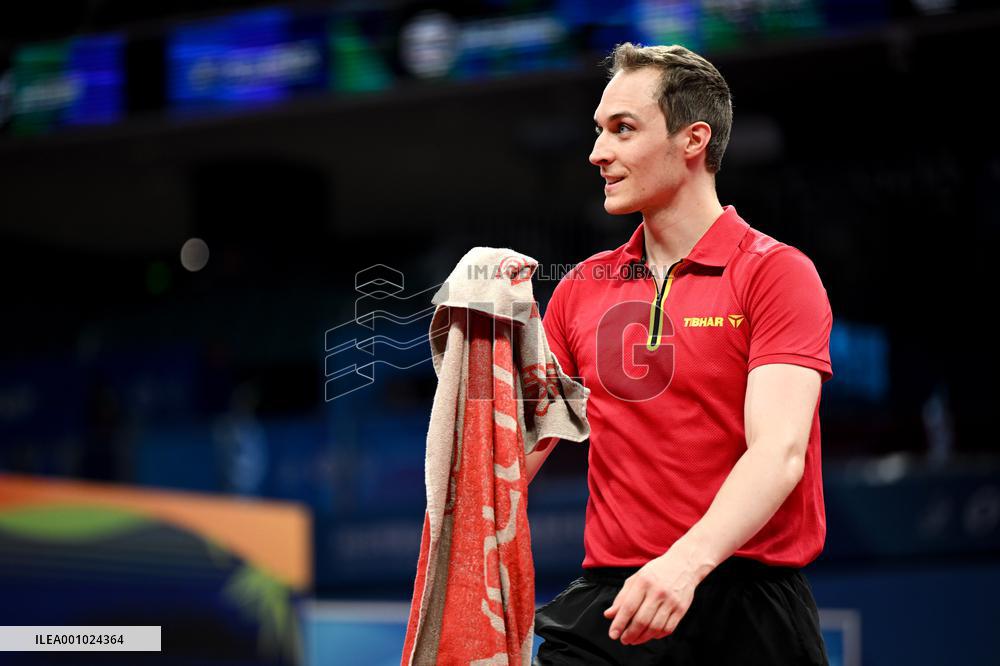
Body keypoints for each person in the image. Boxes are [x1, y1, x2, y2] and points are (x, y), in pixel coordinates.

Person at [527, 42, 833, 665]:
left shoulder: (775, 274)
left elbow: (779, 453)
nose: (597, 153)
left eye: (623, 129)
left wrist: (685, 564)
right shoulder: (579, 288)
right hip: (615, 604)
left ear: (692, 140)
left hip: (748, 608)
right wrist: (477, 345)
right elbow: (514, 454)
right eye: (598, 131)